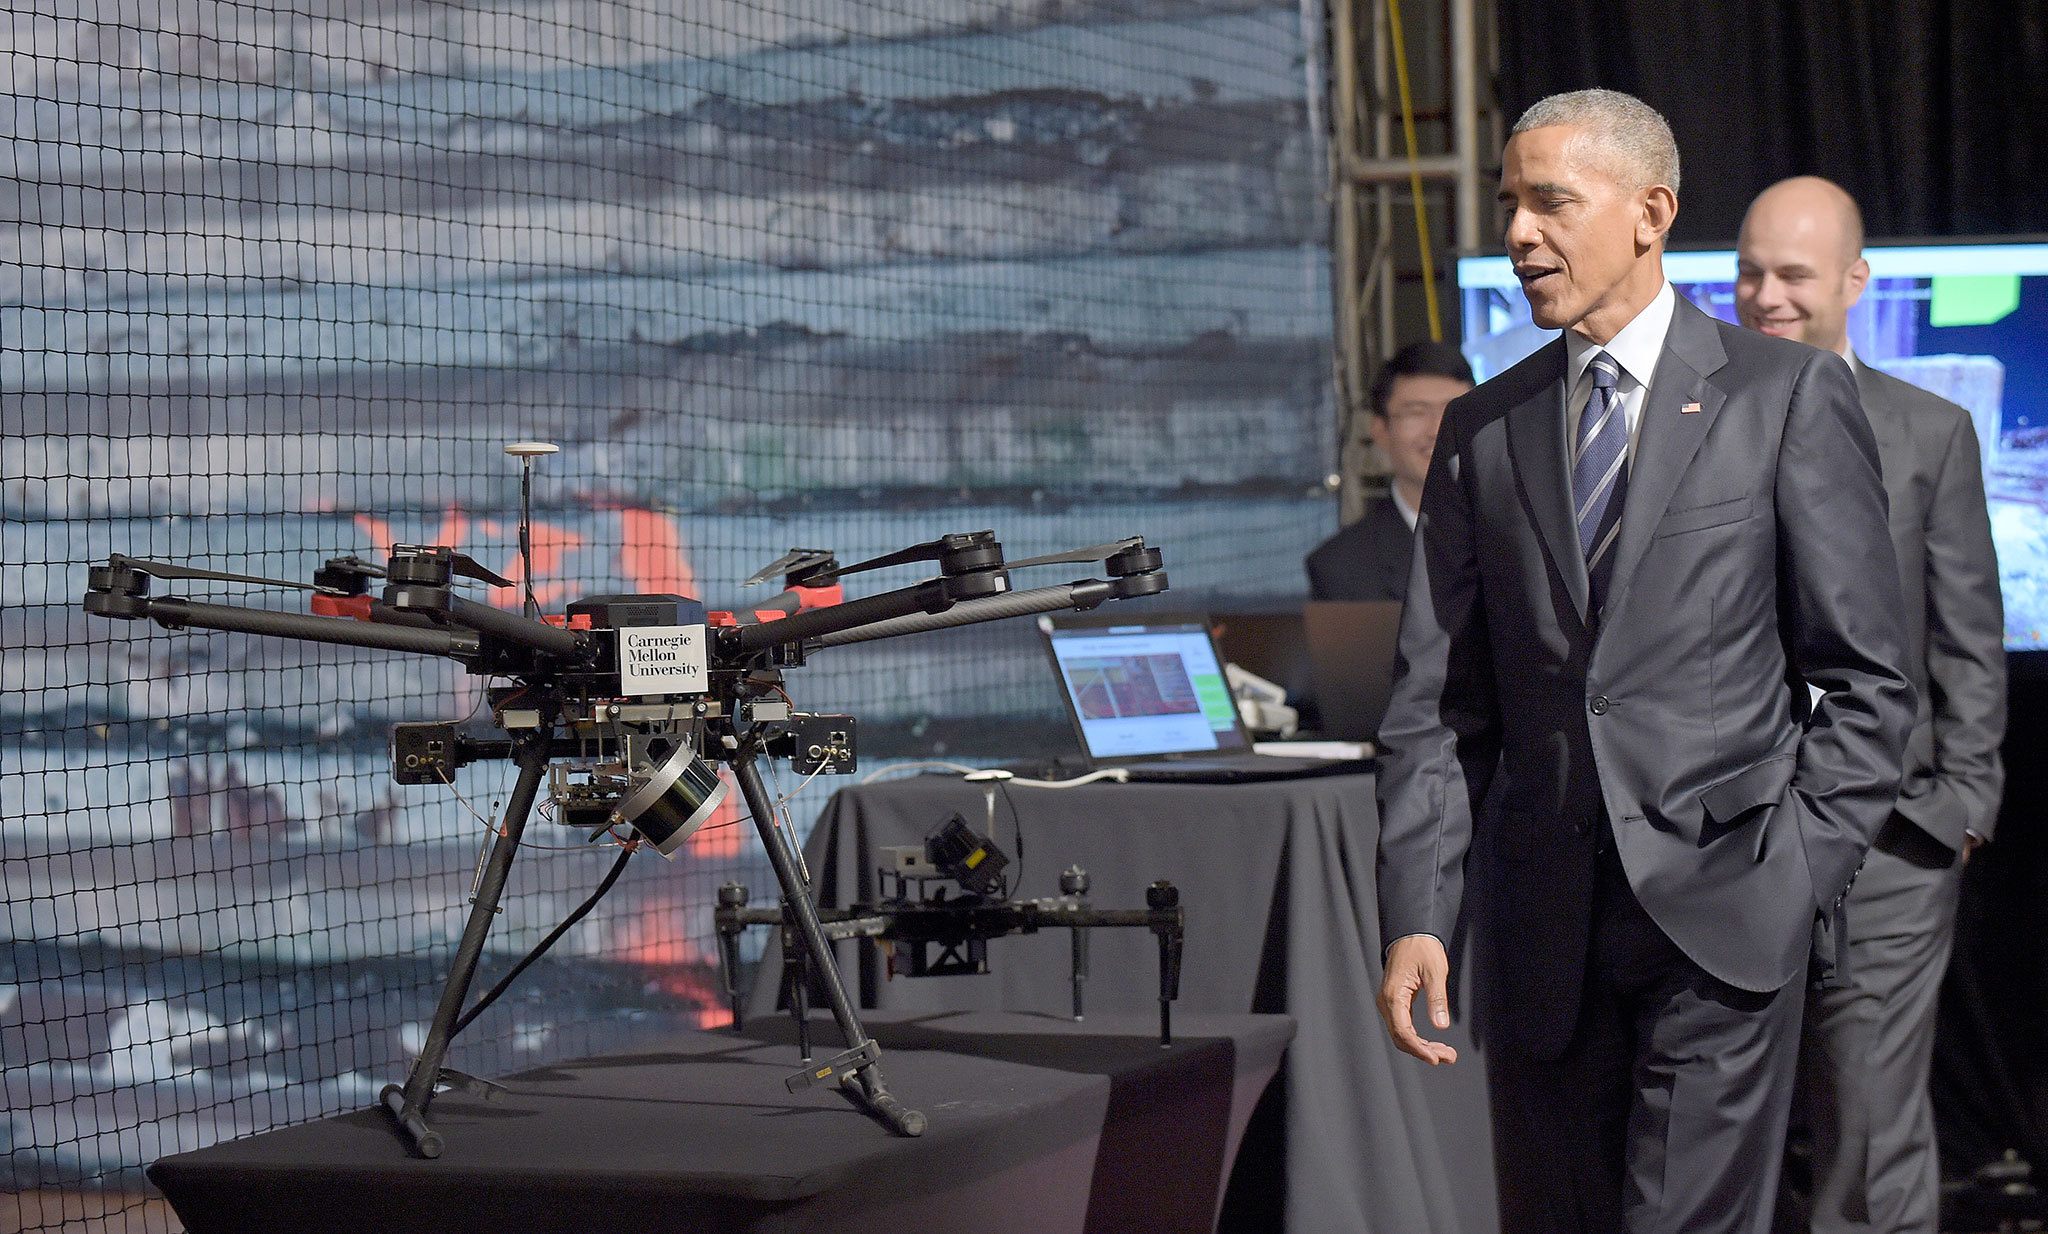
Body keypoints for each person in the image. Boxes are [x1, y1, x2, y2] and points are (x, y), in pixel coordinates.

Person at [1373, 89, 1916, 1234]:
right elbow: (1435, 704)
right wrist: (1420, 909)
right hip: (1539, 942)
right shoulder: (1482, 430)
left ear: (1649, 212)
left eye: (1549, 201)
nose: (1517, 231)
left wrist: (1787, 876)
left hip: (1722, 927)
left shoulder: (1784, 399)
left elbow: (1869, 684)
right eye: (1508, 203)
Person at [1737, 175, 2007, 1234]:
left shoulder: (1926, 432)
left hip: (1890, 838)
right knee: (1724, 1115)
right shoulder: (1690, 420)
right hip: (1728, 833)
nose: (1765, 296)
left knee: (1866, 1120)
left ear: (1854, 281)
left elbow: (1964, 634)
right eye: (1749, 272)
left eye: (1791, 274)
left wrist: (1960, 804)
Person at [1306, 342, 1474, 601]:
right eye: (1416, 412)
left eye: (1454, 410)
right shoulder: (1340, 567)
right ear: (1381, 430)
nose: (1436, 430)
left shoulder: (1523, 536)